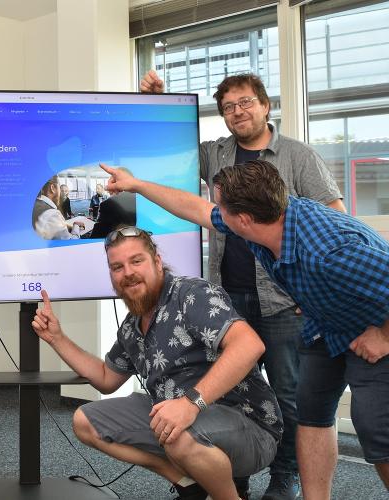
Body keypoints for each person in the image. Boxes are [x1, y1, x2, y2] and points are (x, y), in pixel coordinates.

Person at [101, 160, 389, 499]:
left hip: (372, 324)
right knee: (312, 415)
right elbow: (196, 209)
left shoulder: (330, 250)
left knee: (375, 426)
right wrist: (136, 185)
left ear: (244, 220)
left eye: (222, 207)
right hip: (324, 324)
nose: (216, 214)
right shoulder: (267, 219)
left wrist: (382, 334)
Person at [141, 70, 345, 499]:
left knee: (290, 396)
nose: (238, 112)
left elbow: (336, 219)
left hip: (284, 301)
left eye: (246, 102)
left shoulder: (297, 156)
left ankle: (285, 477)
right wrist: (160, 101)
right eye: (229, 107)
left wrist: (319, 288)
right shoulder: (216, 154)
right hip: (226, 300)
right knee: (228, 391)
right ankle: (230, 476)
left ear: (265, 105)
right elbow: (167, 149)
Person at [33, 225, 280, 500]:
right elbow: (105, 379)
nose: (128, 273)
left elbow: (250, 345)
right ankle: (187, 483)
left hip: (250, 427)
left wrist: (190, 404)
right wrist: (56, 338)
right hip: (180, 422)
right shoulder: (131, 327)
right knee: (84, 421)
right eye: (117, 267)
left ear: (157, 262)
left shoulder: (191, 295)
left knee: (178, 432)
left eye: (136, 261)